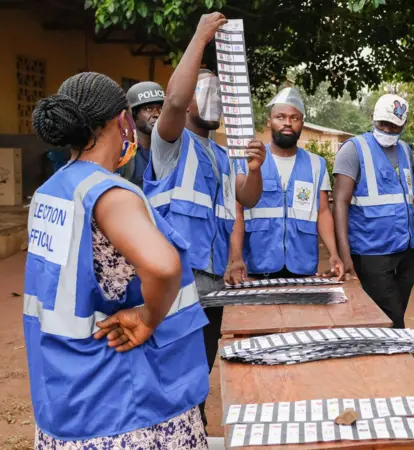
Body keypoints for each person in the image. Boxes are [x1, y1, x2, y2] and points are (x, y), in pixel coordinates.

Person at [25, 72, 208, 448]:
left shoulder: (50, 192)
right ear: (122, 120)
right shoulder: (110, 195)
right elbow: (163, 266)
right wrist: (148, 317)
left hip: (66, 392)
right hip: (123, 402)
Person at [142, 12, 265, 428]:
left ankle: (192, 430)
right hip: (175, 285)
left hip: (212, 288)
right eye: (204, 90)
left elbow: (246, 198)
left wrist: (255, 169)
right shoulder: (171, 143)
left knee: (200, 371)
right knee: (171, 372)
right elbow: (174, 101)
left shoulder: (223, 155)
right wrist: (200, 36)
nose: (212, 100)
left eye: (218, 93)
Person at [225, 87, 344, 282]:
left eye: (294, 118)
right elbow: (237, 212)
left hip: (303, 267)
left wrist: (333, 254)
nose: (287, 122)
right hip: (256, 267)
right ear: (269, 121)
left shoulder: (317, 164)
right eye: (280, 117)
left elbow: (323, 212)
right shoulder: (248, 161)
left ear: (302, 123)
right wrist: (236, 258)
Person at [333, 94, 414, 328]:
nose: (388, 130)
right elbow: (340, 202)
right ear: (373, 118)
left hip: (407, 251)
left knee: (393, 313)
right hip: (372, 253)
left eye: (394, 126)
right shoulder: (354, 150)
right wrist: (345, 255)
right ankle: (395, 350)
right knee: (393, 320)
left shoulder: (405, 150)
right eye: (383, 123)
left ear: (403, 124)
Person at [119, 81, 165, 188]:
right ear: (133, 115)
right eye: (148, 109)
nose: (157, 114)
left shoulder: (170, 149)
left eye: (160, 108)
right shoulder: (123, 153)